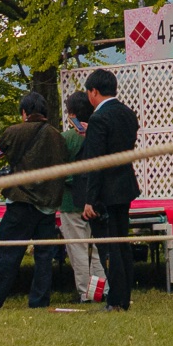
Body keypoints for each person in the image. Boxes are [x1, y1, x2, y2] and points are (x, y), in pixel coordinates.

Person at [0, 92, 69, 310]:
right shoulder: (59, 137)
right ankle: (39, 302)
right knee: (44, 258)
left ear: (24, 112)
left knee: (7, 255)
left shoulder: (15, 132)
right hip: (48, 206)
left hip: (21, 202)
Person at [75, 69, 140, 311]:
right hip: (125, 185)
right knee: (122, 244)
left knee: (109, 246)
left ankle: (116, 300)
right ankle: (123, 296)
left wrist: (90, 199)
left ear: (94, 91)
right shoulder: (127, 113)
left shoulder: (99, 119)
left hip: (106, 191)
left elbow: (96, 162)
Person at [58, 90, 105, 302]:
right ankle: (102, 289)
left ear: (72, 113)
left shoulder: (66, 138)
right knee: (98, 247)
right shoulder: (100, 134)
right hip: (97, 198)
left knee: (77, 248)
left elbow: (58, 172)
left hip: (70, 200)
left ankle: (85, 292)